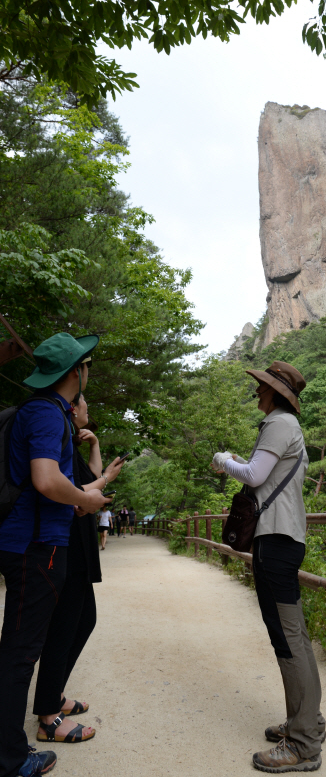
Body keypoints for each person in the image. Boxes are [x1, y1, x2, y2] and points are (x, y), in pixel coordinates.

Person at [0, 332, 111, 777]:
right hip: (37, 546)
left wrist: (88, 494)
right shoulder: (46, 414)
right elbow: (46, 481)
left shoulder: (40, 412)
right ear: (74, 373)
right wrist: (85, 501)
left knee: (19, 648)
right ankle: (10, 759)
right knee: (20, 653)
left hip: (30, 543)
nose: (87, 372)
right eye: (85, 366)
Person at [212, 361, 324, 774]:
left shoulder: (279, 424)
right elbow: (267, 475)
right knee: (295, 635)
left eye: (263, 386)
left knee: (288, 639)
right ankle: (306, 721)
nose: (257, 391)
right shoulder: (288, 428)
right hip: (286, 538)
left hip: (274, 541)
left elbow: (255, 474)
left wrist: (223, 458)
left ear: (278, 393)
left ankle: (303, 743)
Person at [32, 392, 126, 744]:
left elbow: (93, 479)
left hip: (80, 545)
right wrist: (100, 486)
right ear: (73, 407)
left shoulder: (72, 443)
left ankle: (53, 696)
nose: (88, 409)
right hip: (67, 542)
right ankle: (48, 717)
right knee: (66, 625)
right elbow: (77, 493)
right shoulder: (58, 440)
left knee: (83, 620)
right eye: (85, 403)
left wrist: (97, 447)